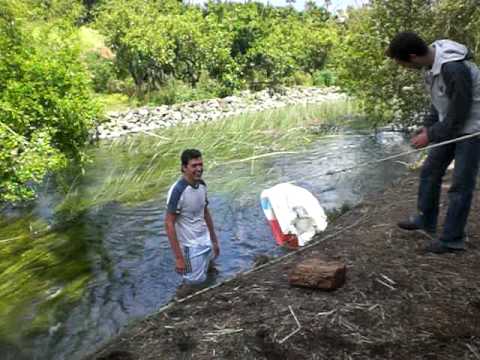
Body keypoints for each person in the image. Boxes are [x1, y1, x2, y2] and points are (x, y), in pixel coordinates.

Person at [386, 32, 480, 254]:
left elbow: (459, 113)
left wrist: (430, 135)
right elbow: (438, 104)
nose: (402, 68)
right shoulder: (430, 65)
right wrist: (428, 127)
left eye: (402, 63)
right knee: (430, 171)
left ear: (412, 56)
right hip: (451, 126)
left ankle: (451, 239)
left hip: (473, 131)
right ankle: (425, 220)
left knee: (460, 185)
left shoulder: (453, 68)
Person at [165, 149, 219, 288]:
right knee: (191, 284)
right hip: (190, 247)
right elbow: (169, 223)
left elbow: (205, 212)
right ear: (184, 167)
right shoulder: (178, 191)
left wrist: (214, 240)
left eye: (200, 164)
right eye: (194, 165)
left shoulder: (202, 185)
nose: (199, 169)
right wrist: (178, 258)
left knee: (211, 273)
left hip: (205, 240)